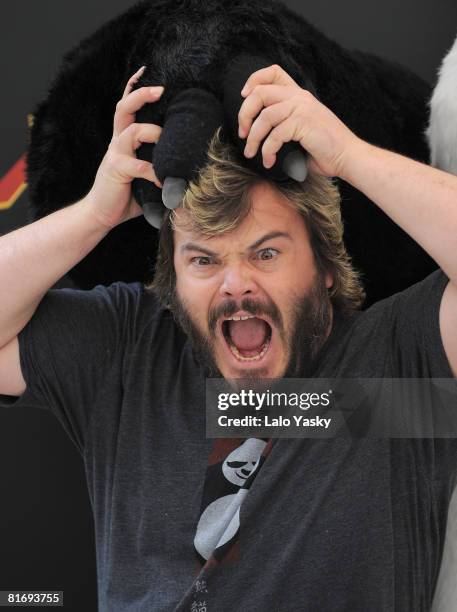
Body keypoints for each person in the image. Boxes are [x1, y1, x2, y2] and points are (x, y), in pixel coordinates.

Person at [0, 63, 456, 611]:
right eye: (204, 260)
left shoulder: (399, 366)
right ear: (172, 277)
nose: (236, 285)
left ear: (327, 267)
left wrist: (346, 155)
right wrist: (95, 215)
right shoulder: (129, 355)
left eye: (266, 253)